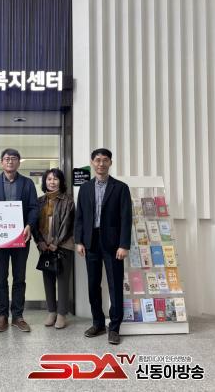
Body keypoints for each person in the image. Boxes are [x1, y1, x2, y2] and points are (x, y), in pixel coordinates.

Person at [74, 148, 132, 345]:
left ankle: (114, 328)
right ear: (92, 162)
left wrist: (124, 244)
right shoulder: (85, 188)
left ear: (110, 163)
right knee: (93, 285)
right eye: (97, 160)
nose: (101, 163)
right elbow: (80, 217)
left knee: (115, 285)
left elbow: (126, 218)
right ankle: (98, 323)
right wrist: (79, 241)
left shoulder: (121, 188)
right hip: (90, 242)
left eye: (105, 160)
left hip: (114, 244)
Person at [0, 148, 39, 332]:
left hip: (21, 238)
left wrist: (29, 225)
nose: (10, 161)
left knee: (19, 277)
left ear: (18, 162)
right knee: (1, 277)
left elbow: (34, 207)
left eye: (14, 158)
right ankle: (2, 315)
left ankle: (17, 316)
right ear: (1, 162)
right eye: (7, 159)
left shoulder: (27, 183)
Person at [32, 168, 75, 330]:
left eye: (55, 179)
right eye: (49, 179)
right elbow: (34, 223)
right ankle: (51, 311)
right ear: (45, 182)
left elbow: (67, 224)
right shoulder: (40, 201)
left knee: (63, 280)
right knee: (48, 278)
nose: (52, 182)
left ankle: (62, 314)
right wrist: (39, 241)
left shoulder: (68, 200)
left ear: (61, 182)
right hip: (45, 245)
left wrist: (56, 242)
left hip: (63, 245)